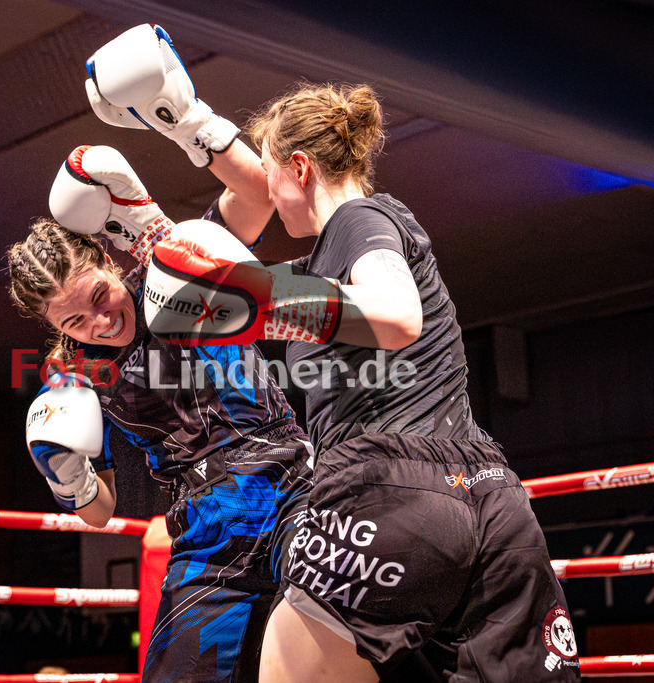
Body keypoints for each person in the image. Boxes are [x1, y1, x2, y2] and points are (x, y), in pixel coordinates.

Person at [85, 24, 580, 682]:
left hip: (386, 495)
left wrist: (258, 290)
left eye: (272, 169)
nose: (267, 183)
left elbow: (395, 312)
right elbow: (226, 265)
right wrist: (172, 178)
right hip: (493, 497)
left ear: (300, 169)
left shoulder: (357, 220)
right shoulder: (327, 260)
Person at [6, 137, 312, 681]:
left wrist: (196, 128)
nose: (100, 323)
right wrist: (65, 478)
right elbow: (100, 511)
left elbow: (257, 195)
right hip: (211, 524)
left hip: (295, 482)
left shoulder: (170, 268)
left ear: (106, 259)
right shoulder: (76, 379)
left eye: (99, 297)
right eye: (75, 322)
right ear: (53, 328)